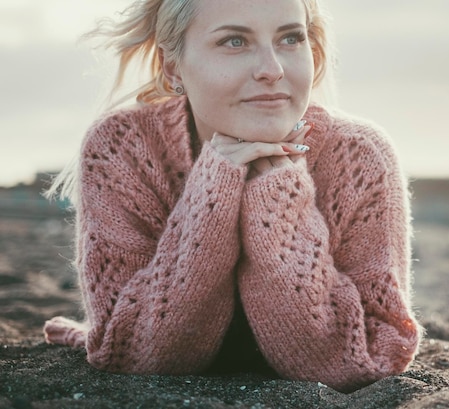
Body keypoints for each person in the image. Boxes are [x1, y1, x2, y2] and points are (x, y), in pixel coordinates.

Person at [44, 0, 421, 392]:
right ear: (172, 67)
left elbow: (359, 364)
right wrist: (211, 193)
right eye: (234, 42)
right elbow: (140, 356)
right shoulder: (122, 147)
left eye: (290, 38)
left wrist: (278, 206)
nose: (272, 70)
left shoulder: (359, 155)